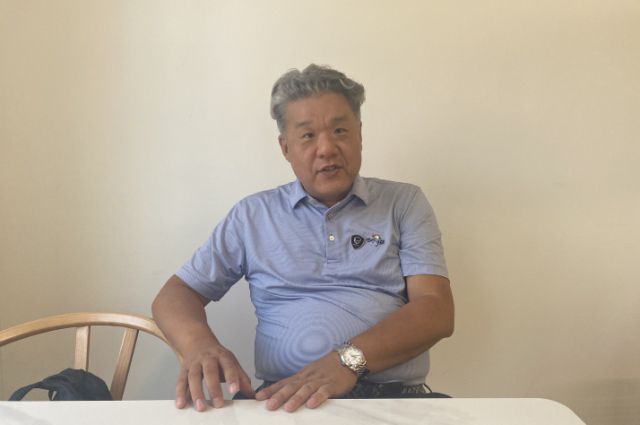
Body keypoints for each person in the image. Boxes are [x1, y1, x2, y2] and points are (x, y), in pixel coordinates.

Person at [152, 64, 454, 413]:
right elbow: (175, 295)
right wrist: (199, 344)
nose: (326, 148)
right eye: (308, 135)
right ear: (285, 148)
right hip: (285, 402)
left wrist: (347, 361)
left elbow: (436, 309)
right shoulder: (253, 215)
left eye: (340, 130)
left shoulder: (404, 203)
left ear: (359, 134)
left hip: (394, 400)